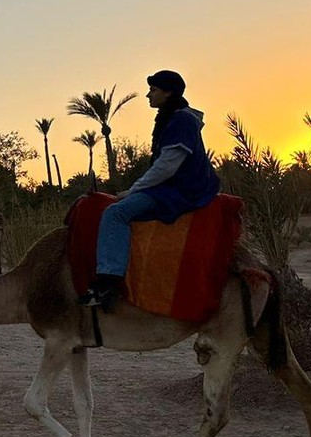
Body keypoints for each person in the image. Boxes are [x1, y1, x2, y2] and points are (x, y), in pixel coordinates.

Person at [81, 70, 220, 310]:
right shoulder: (173, 118)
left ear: (168, 93)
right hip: (174, 187)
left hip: (181, 191)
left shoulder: (181, 121)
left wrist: (134, 190)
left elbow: (167, 166)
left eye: (154, 90)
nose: (148, 95)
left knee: (116, 213)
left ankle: (108, 283)